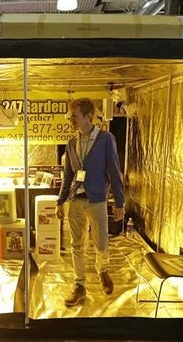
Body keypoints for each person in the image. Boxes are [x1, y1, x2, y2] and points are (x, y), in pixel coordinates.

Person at [56, 98, 125, 307]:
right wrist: (60, 201)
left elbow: (114, 171)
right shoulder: (71, 143)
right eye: (70, 116)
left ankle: (103, 270)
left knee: (101, 240)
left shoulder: (106, 139)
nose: (71, 120)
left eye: (74, 116)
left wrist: (120, 202)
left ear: (88, 116)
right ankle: (79, 285)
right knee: (76, 244)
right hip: (75, 199)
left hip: (97, 200)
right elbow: (68, 175)